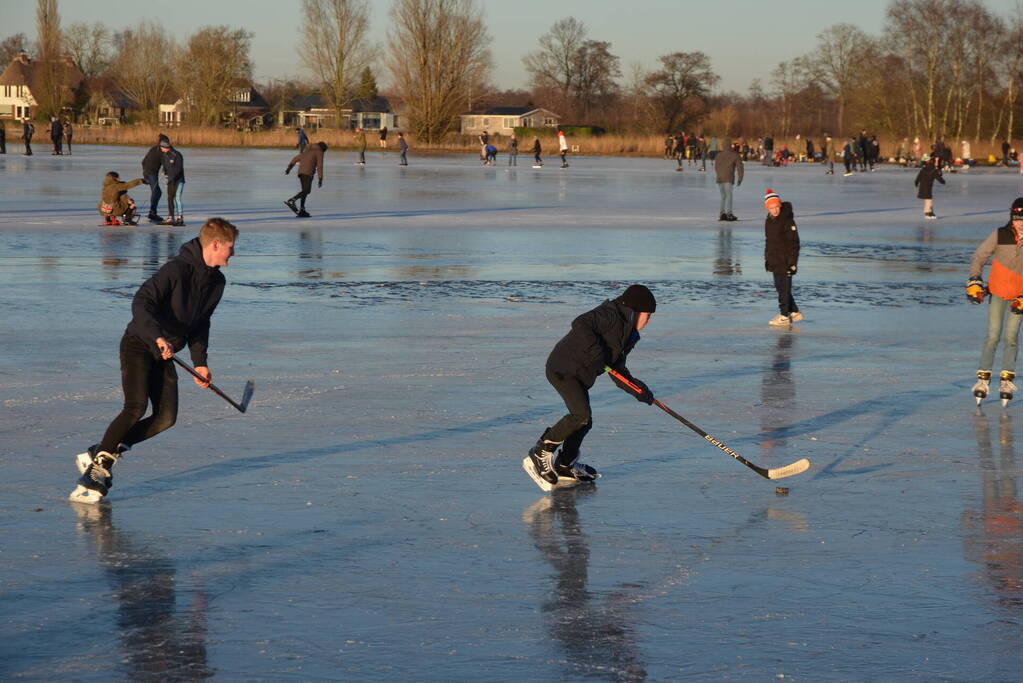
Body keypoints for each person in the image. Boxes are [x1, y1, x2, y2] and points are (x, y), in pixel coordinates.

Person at [69, 218, 239, 504]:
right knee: (135, 407)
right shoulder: (176, 270)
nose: (233, 253)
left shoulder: (216, 282)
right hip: (139, 344)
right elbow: (141, 302)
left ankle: (101, 451)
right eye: (231, 248)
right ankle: (96, 471)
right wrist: (157, 337)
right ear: (216, 244)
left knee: (165, 418)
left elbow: (201, 324)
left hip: (166, 352)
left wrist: (200, 363)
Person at [523, 284, 657, 490]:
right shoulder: (609, 315)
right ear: (633, 312)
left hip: (581, 376)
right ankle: (541, 451)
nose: (649, 321)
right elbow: (581, 323)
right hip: (563, 369)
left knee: (585, 422)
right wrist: (596, 352)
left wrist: (639, 391)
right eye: (647, 315)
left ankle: (565, 465)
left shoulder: (629, 335)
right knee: (580, 415)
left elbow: (617, 369)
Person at [967, 198, 1023, 405]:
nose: (1021, 223)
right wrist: (975, 279)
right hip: (998, 293)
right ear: (1011, 218)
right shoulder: (1000, 235)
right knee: (992, 336)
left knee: (1011, 338)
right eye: (1017, 219)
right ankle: (983, 380)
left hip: (1020, 298)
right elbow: (980, 256)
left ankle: (1006, 381)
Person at [763, 189, 803, 326]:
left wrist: (792, 263)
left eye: (776, 207)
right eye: (771, 208)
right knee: (779, 287)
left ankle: (784, 315)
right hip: (775, 259)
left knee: (784, 288)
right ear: (767, 208)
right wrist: (767, 259)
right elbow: (768, 241)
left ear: (780, 206)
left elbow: (794, 244)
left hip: (786, 260)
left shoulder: (787, 220)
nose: (774, 210)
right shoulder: (769, 221)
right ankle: (795, 312)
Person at [285, 140, 327, 217]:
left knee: (304, 191)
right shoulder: (319, 151)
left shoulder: (308, 150)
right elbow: (320, 166)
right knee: (307, 190)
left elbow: (296, 158)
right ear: (323, 149)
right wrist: (320, 178)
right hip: (308, 172)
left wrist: (289, 168)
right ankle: (292, 200)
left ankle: (302, 209)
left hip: (301, 172)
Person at [141, 134, 168, 222]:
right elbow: (165, 163)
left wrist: (145, 172)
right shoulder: (161, 151)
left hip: (147, 173)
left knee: (158, 192)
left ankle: (153, 212)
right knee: (156, 191)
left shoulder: (153, 148)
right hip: (151, 173)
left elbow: (143, 161)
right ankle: (152, 213)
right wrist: (165, 171)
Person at [715, 141, 744, 222]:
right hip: (728, 177)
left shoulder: (719, 155)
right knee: (728, 196)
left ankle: (722, 214)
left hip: (720, 178)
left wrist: (719, 174)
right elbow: (740, 168)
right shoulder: (735, 155)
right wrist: (740, 178)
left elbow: (716, 166)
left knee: (723, 196)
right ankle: (729, 214)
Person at [160, 138, 186, 226]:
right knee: (170, 198)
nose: (161, 149)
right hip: (170, 181)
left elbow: (179, 169)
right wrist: (164, 171)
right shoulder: (164, 155)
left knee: (177, 198)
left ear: (166, 147)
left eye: (162, 147)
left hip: (179, 180)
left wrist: (173, 177)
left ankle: (180, 217)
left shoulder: (177, 155)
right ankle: (171, 217)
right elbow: (165, 165)